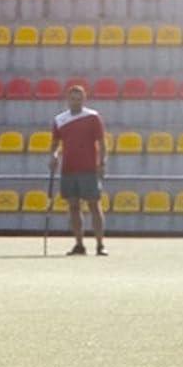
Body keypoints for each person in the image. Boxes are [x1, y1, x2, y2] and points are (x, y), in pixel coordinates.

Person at [50, 83, 108, 256]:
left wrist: (102, 162)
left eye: (79, 99)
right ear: (68, 100)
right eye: (73, 99)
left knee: (94, 206)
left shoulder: (93, 117)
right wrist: (53, 155)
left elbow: (102, 142)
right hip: (69, 168)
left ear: (84, 99)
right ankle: (79, 244)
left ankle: (100, 245)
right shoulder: (59, 119)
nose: (76, 102)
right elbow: (55, 143)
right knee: (73, 206)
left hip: (89, 168)